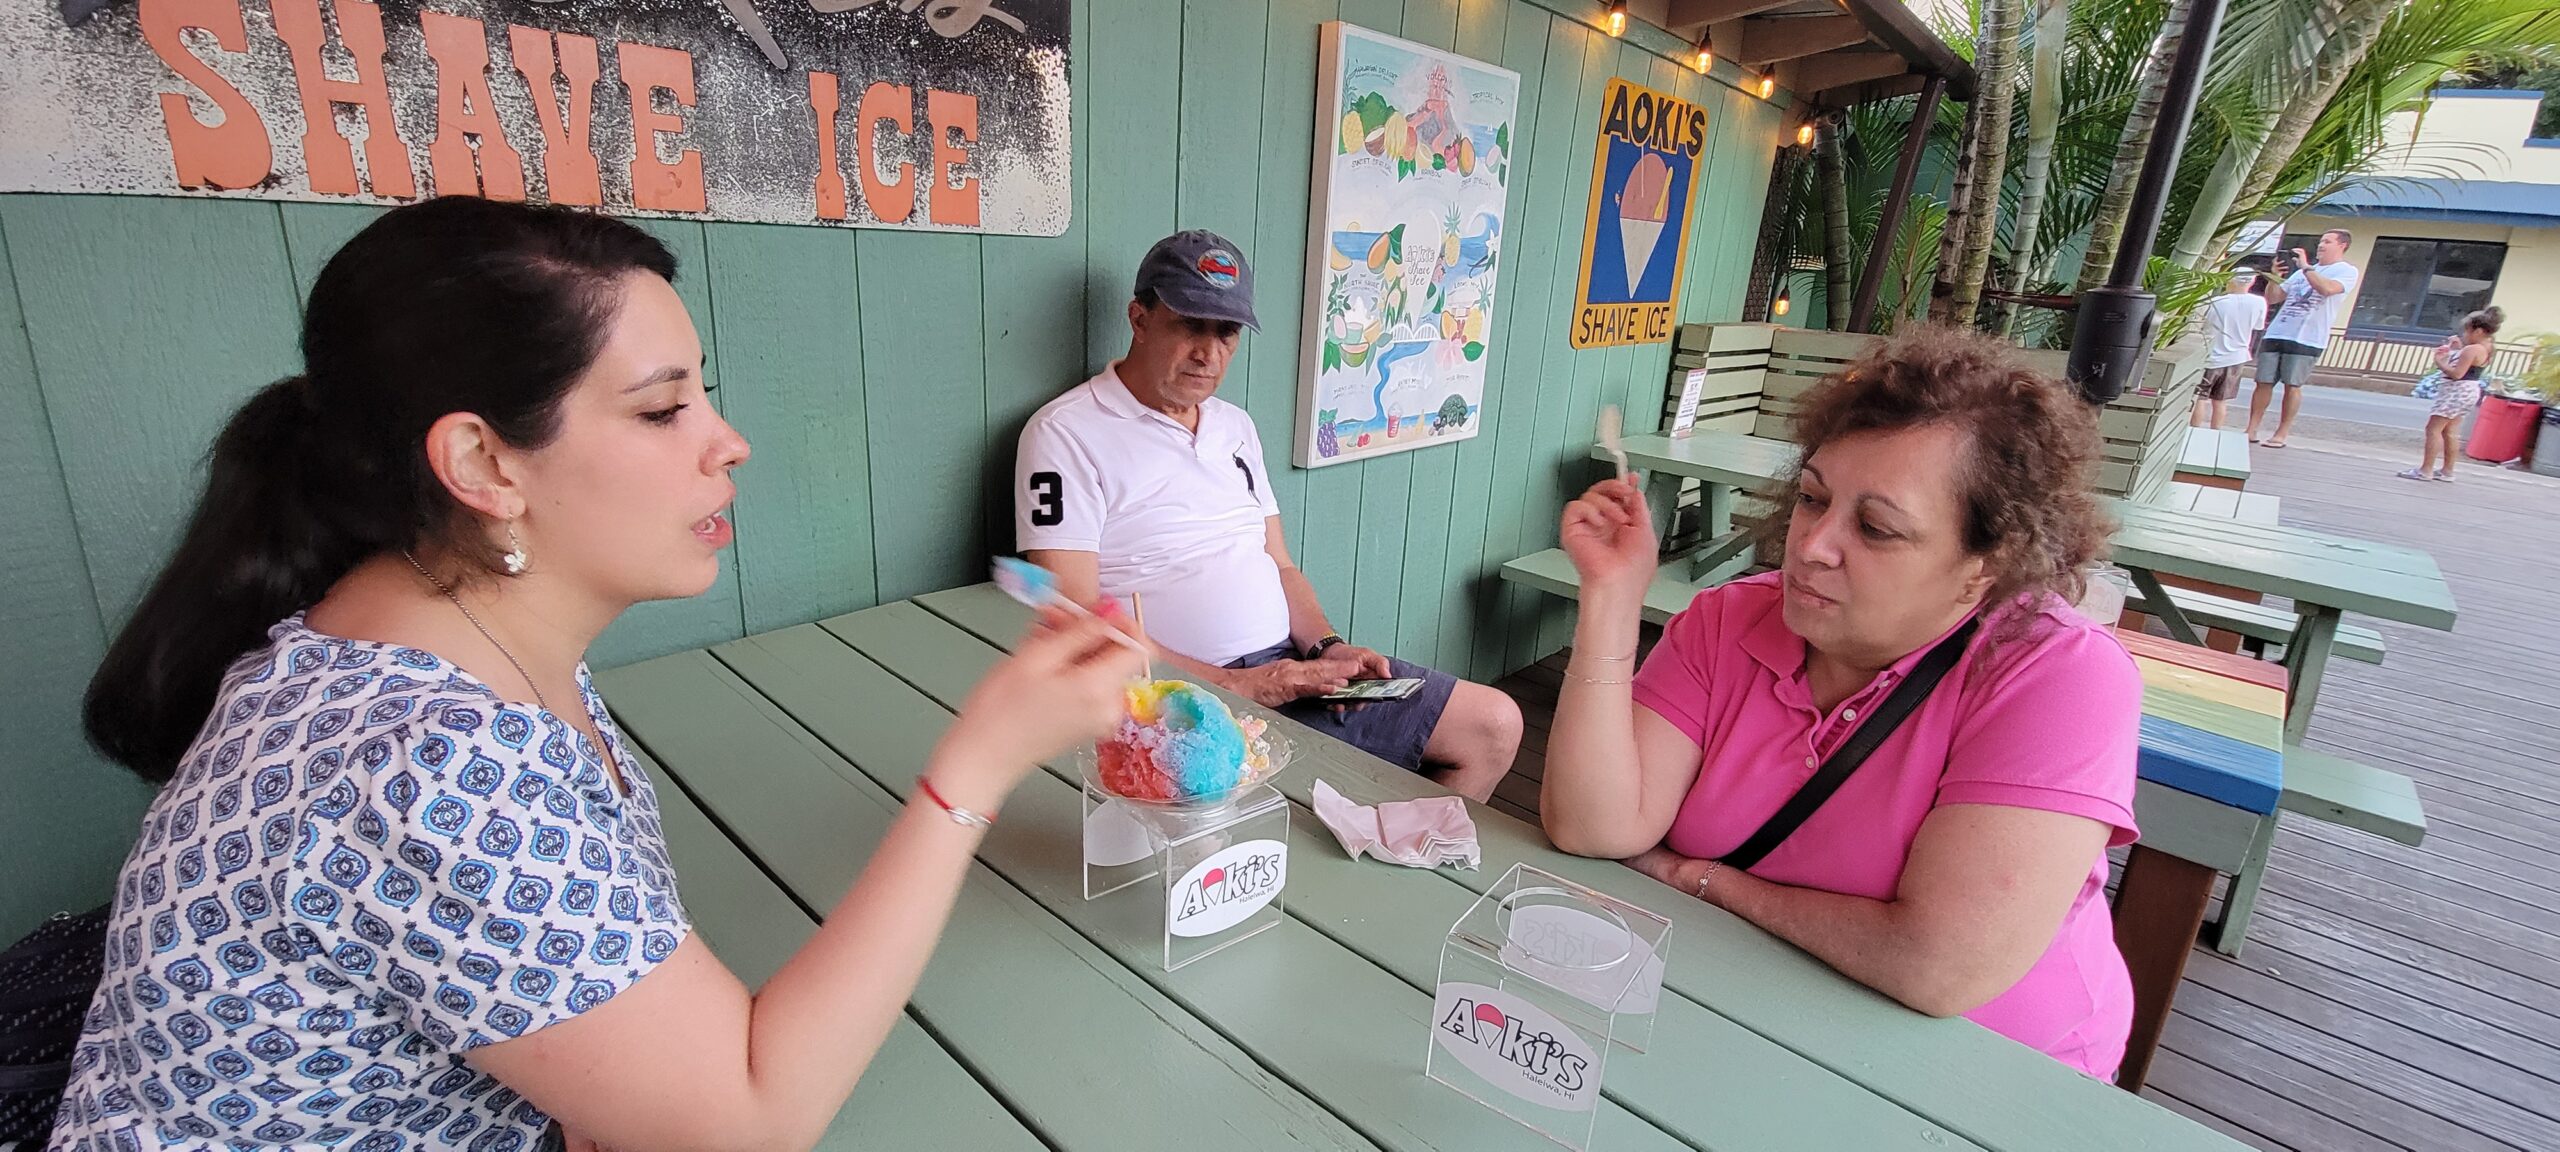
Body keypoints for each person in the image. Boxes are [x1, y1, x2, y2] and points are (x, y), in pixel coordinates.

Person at [52, 197, 1145, 1152]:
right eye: (663, 409)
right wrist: (975, 769)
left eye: (704, 395)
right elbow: (751, 1115)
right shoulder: (427, 758)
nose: (729, 443)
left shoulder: (448, 641)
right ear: (483, 462)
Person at [1539, 327, 2141, 1079]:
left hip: (1984, 1076)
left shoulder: (2059, 677)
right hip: (1739, 1012)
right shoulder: (1731, 620)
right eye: (1812, 498)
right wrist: (1611, 597)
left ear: (1986, 566)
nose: (1812, 545)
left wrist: (1706, 881)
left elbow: (1937, 967)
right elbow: (1595, 826)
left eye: (1876, 528)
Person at [1016, 230, 1523, 802]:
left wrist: (1326, 647)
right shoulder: (1066, 433)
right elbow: (1079, 617)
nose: (1209, 353)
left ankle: (1404, 848)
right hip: (1172, 700)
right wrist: (1238, 685)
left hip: (1290, 671)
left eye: (1226, 332)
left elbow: (1279, 565)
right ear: (1140, 318)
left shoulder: (1235, 427)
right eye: (1190, 325)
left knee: (1494, 725)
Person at [2245, 230, 2362, 448]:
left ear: (2342, 245)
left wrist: (2306, 267)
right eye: (2320, 241)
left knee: (2292, 384)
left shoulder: (2345, 270)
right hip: (2278, 331)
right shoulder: (2301, 273)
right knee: (2263, 381)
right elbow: (2273, 298)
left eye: (2327, 242)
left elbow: (2327, 289)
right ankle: (2251, 428)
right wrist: (2275, 277)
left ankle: (2281, 432)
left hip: (2308, 337)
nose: (2321, 245)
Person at [2399, 306, 2503, 483]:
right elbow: (2469, 367)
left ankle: (2426, 470)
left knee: (2433, 429)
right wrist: (2458, 348)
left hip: (2456, 391)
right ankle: (2447, 471)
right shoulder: (2487, 347)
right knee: (2450, 431)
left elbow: (2457, 374)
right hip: (2469, 391)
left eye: (2467, 331)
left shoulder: (2472, 349)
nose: (2464, 335)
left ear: (2478, 331)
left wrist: (2439, 362)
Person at [2192, 271, 2266, 429]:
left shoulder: (2215, 301)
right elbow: (2258, 326)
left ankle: (2194, 430)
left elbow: (2202, 325)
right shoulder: (2259, 302)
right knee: (2220, 401)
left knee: (2200, 398)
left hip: (2210, 356)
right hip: (2236, 357)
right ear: (2251, 282)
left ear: (2230, 280)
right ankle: (2216, 432)